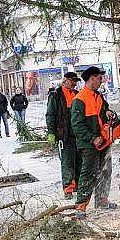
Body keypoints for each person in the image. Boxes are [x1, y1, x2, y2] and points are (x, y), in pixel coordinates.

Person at [70, 66, 116, 219]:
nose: (101, 80)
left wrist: (108, 113)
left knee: (105, 170)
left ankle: (102, 200)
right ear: (92, 78)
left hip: (104, 140)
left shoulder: (99, 96)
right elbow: (77, 125)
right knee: (88, 173)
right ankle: (81, 206)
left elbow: (104, 113)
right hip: (88, 144)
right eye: (99, 78)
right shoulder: (79, 99)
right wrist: (92, 138)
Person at [46, 71, 81, 199]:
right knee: (67, 162)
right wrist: (51, 132)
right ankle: (68, 189)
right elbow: (50, 114)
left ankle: (78, 186)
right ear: (65, 80)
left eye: (76, 82)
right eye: (73, 81)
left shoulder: (77, 95)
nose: (74, 84)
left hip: (78, 134)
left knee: (79, 160)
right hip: (64, 134)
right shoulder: (55, 96)